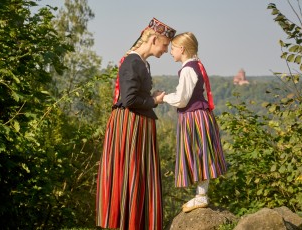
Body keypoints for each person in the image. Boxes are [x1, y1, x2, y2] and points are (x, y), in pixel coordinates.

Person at [96, 18, 176, 230]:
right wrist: (154, 101)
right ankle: (127, 222)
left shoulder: (141, 63)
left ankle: (135, 222)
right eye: (165, 45)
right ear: (153, 39)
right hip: (130, 127)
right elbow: (129, 100)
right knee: (131, 175)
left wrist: (151, 99)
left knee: (138, 175)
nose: (166, 50)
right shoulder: (133, 62)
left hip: (137, 126)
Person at [163, 32, 228, 213]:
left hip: (194, 117)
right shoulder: (195, 66)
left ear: (182, 49)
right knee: (201, 153)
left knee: (199, 152)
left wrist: (163, 98)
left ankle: (201, 196)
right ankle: (201, 194)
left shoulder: (188, 69)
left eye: (173, 48)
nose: (171, 52)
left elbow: (182, 99)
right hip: (199, 115)